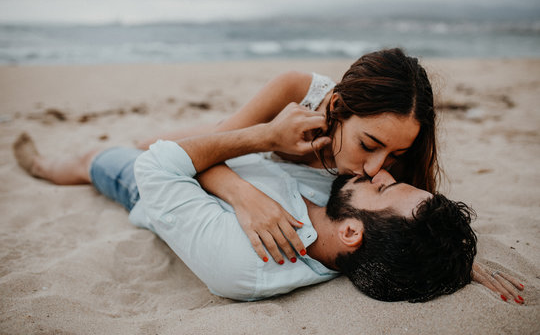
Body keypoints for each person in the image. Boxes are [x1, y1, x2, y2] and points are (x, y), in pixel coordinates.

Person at [134, 48, 524, 303]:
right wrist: (243, 195)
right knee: (159, 142)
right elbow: (214, 148)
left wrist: (455, 259)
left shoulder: (387, 166)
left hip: (238, 160)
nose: (376, 169)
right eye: (368, 144)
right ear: (336, 106)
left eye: (396, 154)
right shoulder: (294, 91)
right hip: (234, 146)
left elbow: (412, 224)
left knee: (164, 143)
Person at [13, 105, 477, 302]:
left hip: (159, 183)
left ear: (354, 233)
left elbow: (156, 167)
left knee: (97, 158)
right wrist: (448, 257)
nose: (381, 173)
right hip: (225, 157)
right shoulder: (344, 216)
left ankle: (42, 167)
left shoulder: (246, 264)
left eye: (383, 188)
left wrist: (261, 136)